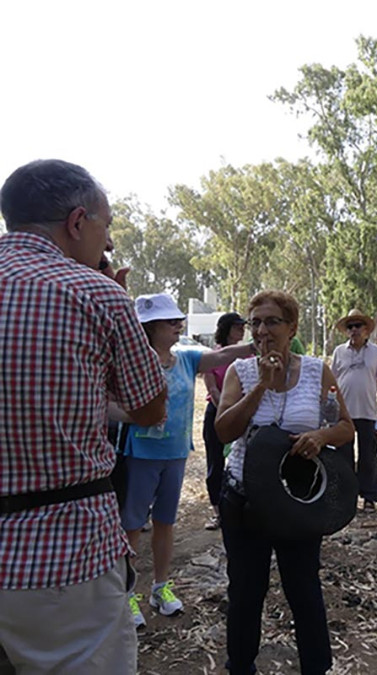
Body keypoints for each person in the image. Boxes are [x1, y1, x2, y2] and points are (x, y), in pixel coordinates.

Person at [0, 159, 167, 673]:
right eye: (106, 225)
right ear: (77, 223)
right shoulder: (94, 292)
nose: (109, 243)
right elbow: (149, 407)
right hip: (62, 555)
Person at [215, 290, 354, 675]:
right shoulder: (239, 372)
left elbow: (345, 427)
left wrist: (321, 437)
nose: (262, 330)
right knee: (245, 591)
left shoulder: (316, 371)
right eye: (256, 322)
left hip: (298, 504)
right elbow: (224, 431)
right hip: (245, 503)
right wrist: (260, 385)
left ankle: (316, 668)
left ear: (292, 327)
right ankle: (240, 667)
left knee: (304, 590)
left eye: (272, 321)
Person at [121, 293, 254, 628]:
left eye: (179, 320)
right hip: (140, 455)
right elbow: (108, 405)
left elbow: (223, 354)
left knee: (166, 523)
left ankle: (160, 588)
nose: (179, 326)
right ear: (150, 328)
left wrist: (258, 344)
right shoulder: (132, 362)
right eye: (171, 322)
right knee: (132, 527)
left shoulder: (185, 358)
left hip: (175, 454)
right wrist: (135, 418)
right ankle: (126, 595)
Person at [331, 309, 377, 512]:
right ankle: (346, 498)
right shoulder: (339, 352)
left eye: (358, 326)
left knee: (368, 455)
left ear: (366, 330)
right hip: (343, 413)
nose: (354, 330)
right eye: (350, 326)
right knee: (343, 456)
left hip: (368, 412)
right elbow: (331, 382)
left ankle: (369, 497)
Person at [202, 312, 248, 530]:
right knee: (216, 462)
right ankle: (218, 512)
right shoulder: (213, 356)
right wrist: (226, 410)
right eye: (238, 326)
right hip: (216, 413)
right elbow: (212, 387)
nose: (242, 330)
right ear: (226, 329)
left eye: (243, 326)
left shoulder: (247, 357)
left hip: (242, 415)